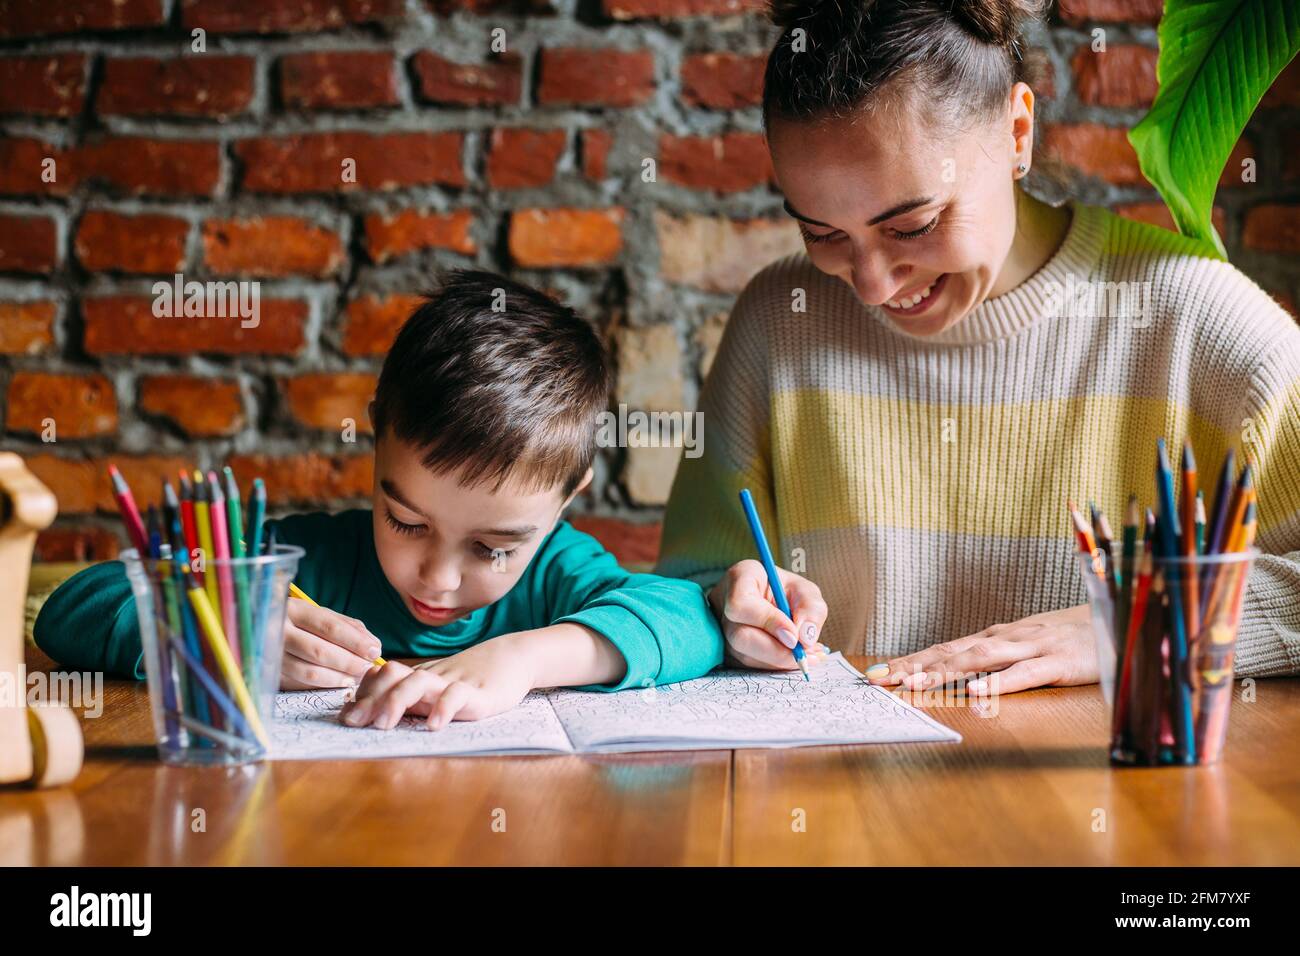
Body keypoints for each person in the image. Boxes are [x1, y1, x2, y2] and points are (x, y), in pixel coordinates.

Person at [657, 0, 1300, 694]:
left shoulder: (1196, 319)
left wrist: (1149, 621)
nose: (871, 286)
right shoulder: (777, 321)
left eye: (913, 225)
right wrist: (726, 609)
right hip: (841, 795)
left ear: (1017, 132)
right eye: (823, 234)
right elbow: (686, 592)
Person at [36, 269, 724, 727]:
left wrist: (526, 660)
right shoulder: (307, 564)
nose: (439, 577)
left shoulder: (558, 575)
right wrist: (218, 635)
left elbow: (688, 616)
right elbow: (75, 605)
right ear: (376, 439)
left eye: (492, 547)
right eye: (406, 521)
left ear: (566, 499)